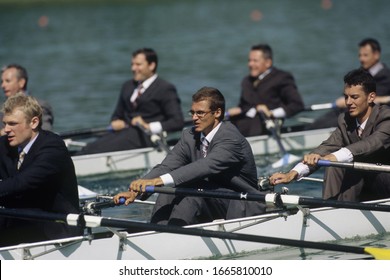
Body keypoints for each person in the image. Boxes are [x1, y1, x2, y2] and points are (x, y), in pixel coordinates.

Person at [114, 86, 266, 225]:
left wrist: (158, 181)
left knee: (192, 193)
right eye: (192, 113)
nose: (194, 118)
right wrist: (136, 190)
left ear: (217, 113)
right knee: (167, 193)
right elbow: (167, 166)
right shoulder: (189, 136)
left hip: (240, 204)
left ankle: (171, 237)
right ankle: (156, 231)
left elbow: (205, 166)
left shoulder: (230, 138)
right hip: (210, 198)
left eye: (200, 113)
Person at [269, 69, 390, 202]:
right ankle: (331, 208)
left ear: (371, 97)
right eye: (346, 97)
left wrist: (332, 156)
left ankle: (338, 210)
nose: (348, 102)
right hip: (362, 187)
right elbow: (326, 147)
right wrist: (292, 173)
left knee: (336, 160)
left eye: (354, 97)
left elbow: (371, 144)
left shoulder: (386, 117)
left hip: (385, 185)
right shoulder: (345, 120)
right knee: (332, 164)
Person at [0, 93, 82, 246]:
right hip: (20, 220)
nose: (6, 130)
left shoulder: (53, 147)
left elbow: (23, 182)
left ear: (33, 122)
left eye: (12, 124)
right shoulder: (4, 145)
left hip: (56, 227)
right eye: (5, 123)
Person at [78, 48, 185, 155]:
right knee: (88, 148)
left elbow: (177, 122)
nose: (133, 68)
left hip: (146, 137)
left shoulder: (165, 88)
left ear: (151, 65)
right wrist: (116, 122)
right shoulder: (128, 86)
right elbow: (116, 115)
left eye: (138, 64)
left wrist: (149, 126)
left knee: (93, 151)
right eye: (132, 64)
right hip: (123, 134)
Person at [307, 38, 390, 129]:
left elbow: (374, 99)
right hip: (344, 110)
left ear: (376, 55)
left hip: (362, 115)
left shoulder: (385, 76)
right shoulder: (361, 71)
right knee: (315, 125)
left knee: (324, 125)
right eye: (360, 55)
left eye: (365, 55)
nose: (361, 59)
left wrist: (347, 101)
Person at [226, 44, 304, 137]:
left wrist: (271, 113)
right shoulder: (246, 81)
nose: (250, 64)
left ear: (268, 62)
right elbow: (244, 106)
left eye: (255, 61)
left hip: (263, 128)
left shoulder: (282, 78)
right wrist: (230, 112)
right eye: (249, 60)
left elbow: (297, 105)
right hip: (240, 127)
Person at [1, 64, 54, 132]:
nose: (3, 85)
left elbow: (45, 133)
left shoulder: (39, 106)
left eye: (7, 81)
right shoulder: (2, 108)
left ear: (21, 82)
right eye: (2, 82)